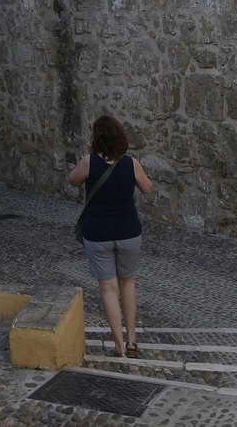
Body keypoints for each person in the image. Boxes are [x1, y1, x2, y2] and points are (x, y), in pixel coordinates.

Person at [67, 114, 153, 359]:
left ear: (96, 139)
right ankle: (132, 340)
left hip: (98, 234)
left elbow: (72, 180)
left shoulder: (89, 162)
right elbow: (148, 188)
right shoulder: (131, 163)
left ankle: (118, 346)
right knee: (127, 282)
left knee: (108, 288)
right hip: (128, 232)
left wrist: (89, 153)